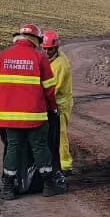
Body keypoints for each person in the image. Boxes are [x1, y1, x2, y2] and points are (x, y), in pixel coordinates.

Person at [0, 23, 64, 200]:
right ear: (35, 40)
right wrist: (53, 107)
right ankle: (48, 185)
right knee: (40, 147)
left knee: (13, 148)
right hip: (35, 116)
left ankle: (8, 188)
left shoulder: (3, 56)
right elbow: (49, 88)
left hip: (9, 117)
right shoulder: (39, 58)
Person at [41, 30, 75, 174]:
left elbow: (54, 88)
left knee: (60, 135)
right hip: (52, 103)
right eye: (45, 49)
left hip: (60, 105)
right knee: (52, 135)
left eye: (50, 49)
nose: (47, 52)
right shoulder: (51, 60)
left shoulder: (60, 63)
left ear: (56, 47)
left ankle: (65, 165)